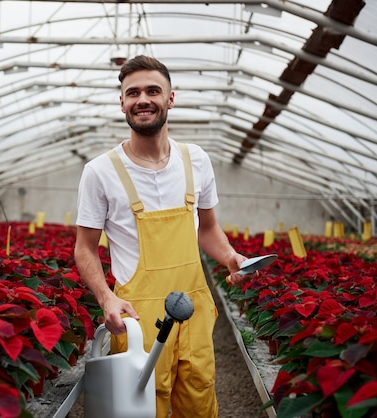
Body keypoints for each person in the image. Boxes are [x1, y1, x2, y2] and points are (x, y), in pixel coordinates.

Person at [74, 55, 252, 418]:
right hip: (138, 315)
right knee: (139, 407)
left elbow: (208, 228)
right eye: (132, 92)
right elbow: (85, 249)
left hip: (195, 311)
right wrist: (107, 299)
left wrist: (231, 257)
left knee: (200, 403)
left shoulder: (196, 160)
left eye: (153, 90)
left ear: (170, 98)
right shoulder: (100, 172)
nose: (143, 99)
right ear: (121, 101)